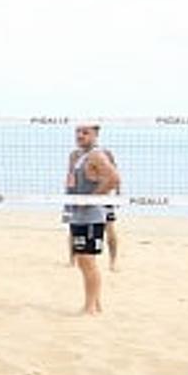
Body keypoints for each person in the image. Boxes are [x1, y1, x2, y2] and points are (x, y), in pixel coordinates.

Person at [63, 124, 119, 315]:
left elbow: (113, 179)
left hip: (92, 215)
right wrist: (68, 208)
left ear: (95, 135)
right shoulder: (76, 155)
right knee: (83, 260)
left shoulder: (97, 155)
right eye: (78, 132)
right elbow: (71, 183)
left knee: (88, 261)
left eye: (85, 132)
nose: (80, 135)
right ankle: (96, 303)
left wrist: (92, 198)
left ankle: (90, 307)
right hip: (77, 213)